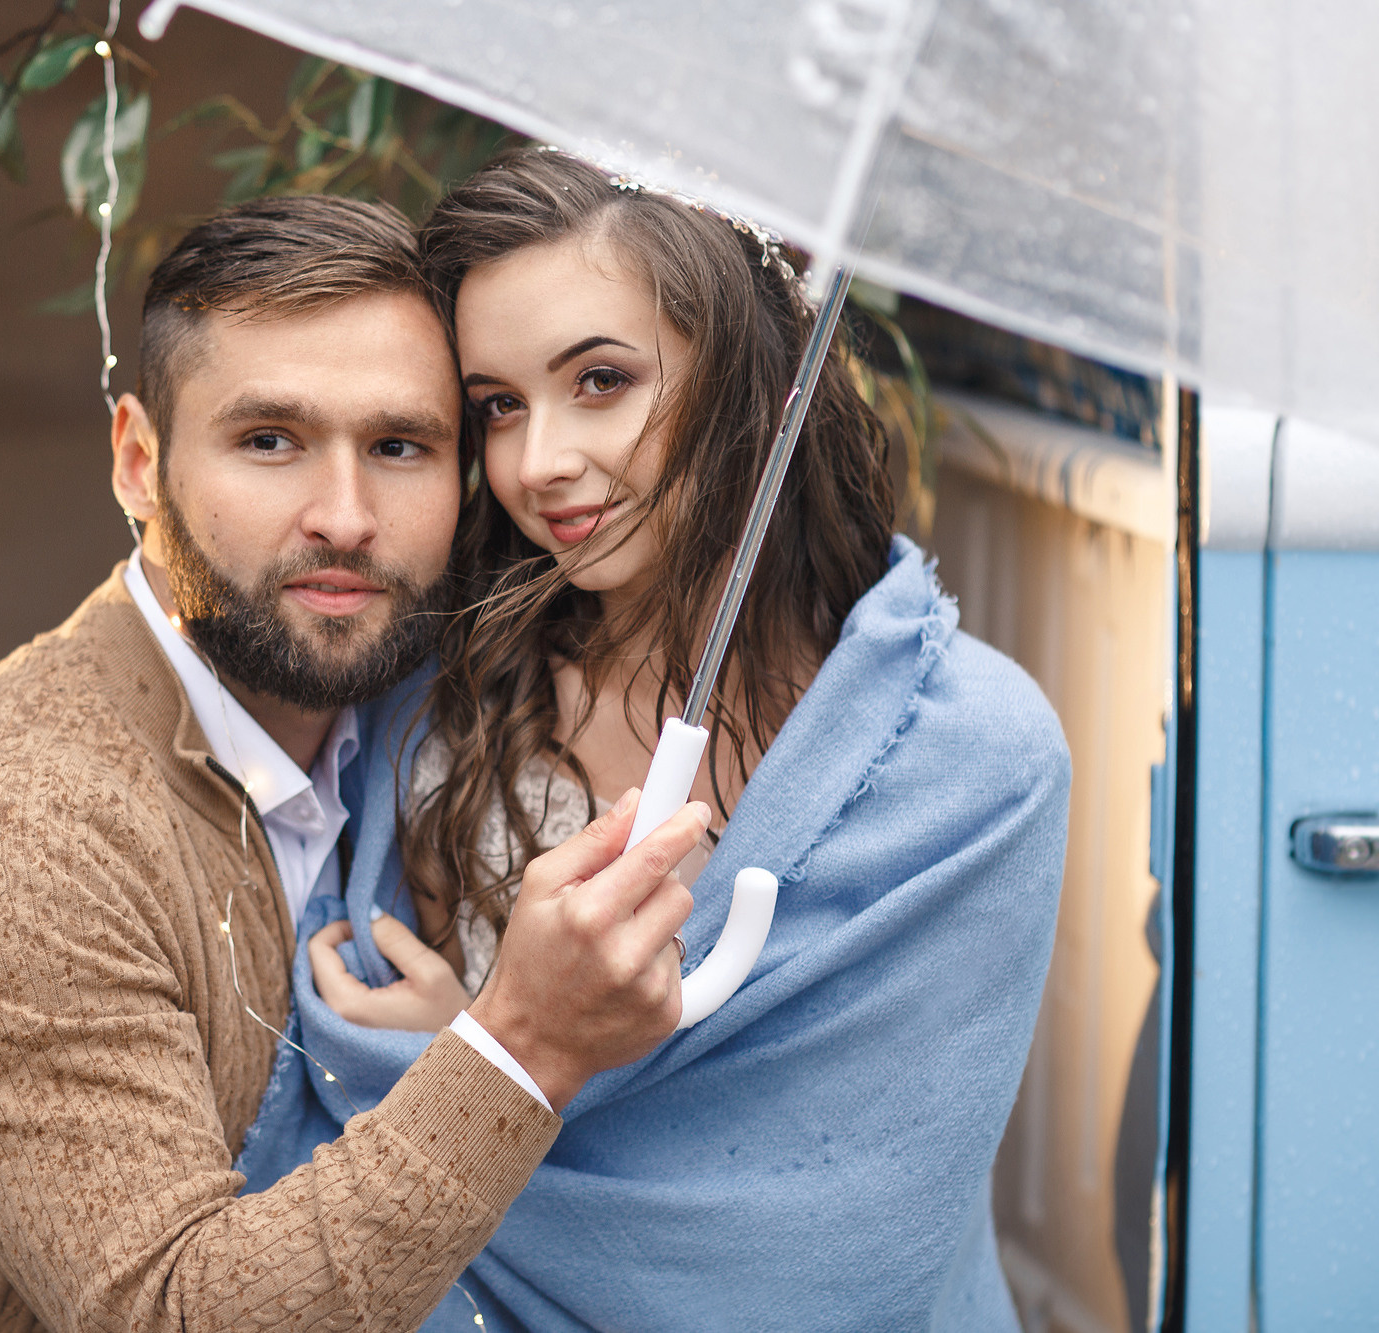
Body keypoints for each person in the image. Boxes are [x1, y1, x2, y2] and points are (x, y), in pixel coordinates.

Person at [0, 194, 715, 1331]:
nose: (345, 517)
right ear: (138, 461)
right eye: (270, 440)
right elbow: (176, 1313)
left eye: (399, 447)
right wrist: (520, 1044)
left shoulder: (402, 731)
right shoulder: (1, 825)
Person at [237, 148, 1074, 1331]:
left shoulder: (973, 760)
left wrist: (469, 1066)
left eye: (600, 380)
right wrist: (463, 1069)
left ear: (747, 378)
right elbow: (338, 1109)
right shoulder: (436, 700)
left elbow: (855, 1220)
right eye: (498, 406)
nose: (538, 463)